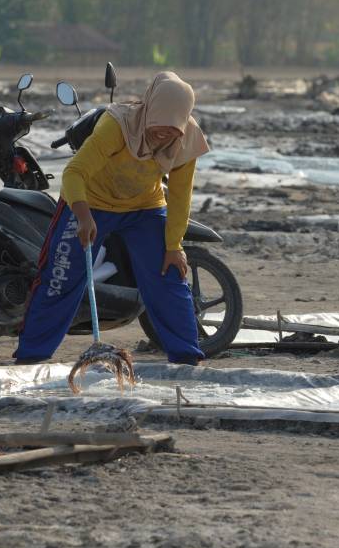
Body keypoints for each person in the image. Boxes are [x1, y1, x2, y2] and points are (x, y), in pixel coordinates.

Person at [13, 71, 210, 365]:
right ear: (149, 108)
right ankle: (31, 356)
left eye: (173, 128)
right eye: (159, 123)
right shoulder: (118, 124)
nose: (163, 133)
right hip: (88, 202)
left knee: (169, 275)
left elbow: (180, 197)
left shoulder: (187, 140)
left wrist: (174, 245)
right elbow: (74, 172)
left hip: (144, 208)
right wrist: (82, 216)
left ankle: (186, 357)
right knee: (61, 276)